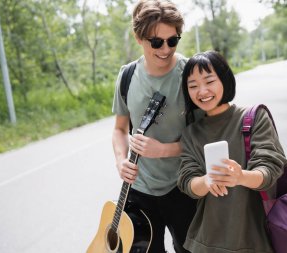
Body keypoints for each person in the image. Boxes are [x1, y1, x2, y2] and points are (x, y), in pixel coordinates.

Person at [177, 50, 287, 253]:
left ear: (225, 80)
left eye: (209, 81)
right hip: (207, 242)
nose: (202, 91)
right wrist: (207, 181)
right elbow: (187, 182)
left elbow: (270, 168)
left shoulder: (254, 117)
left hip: (255, 240)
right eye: (193, 85)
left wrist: (240, 176)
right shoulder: (191, 133)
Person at [111, 0, 196, 252]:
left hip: (184, 187)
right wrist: (120, 161)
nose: (165, 49)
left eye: (173, 40)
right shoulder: (127, 76)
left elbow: (206, 137)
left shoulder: (190, 74)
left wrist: (164, 150)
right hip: (139, 191)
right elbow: (119, 128)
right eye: (156, 42)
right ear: (139, 38)